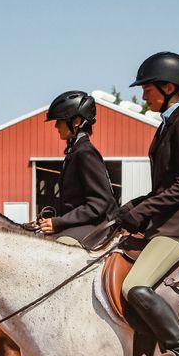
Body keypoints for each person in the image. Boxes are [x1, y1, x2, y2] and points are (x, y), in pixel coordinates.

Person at [117, 52, 179, 356]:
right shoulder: (170, 123)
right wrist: (132, 208)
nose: (143, 96)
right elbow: (165, 186)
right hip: (165, 223)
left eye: (148, 89)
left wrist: (141, 212)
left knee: (134, 286)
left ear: (169, 87)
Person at [38, 91, 118, 246]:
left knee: (60, 244)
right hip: (84, 223)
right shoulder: (75, 151)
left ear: (76, 121)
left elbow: (99, 203)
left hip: (99, 225)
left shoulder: (85, 153)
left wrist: (59, 222)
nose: (56, 126)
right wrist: (50, 220)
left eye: (60, 121)